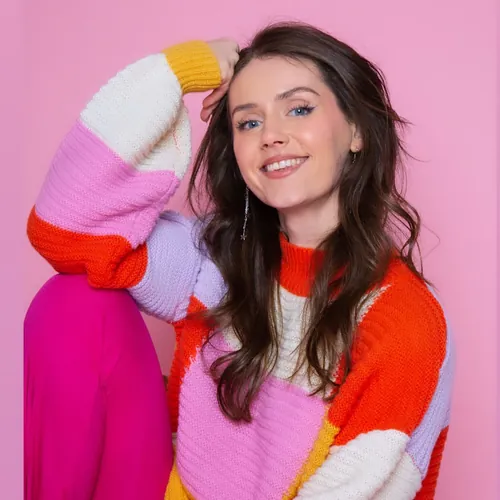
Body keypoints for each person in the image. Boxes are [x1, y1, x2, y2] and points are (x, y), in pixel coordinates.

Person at [24, 21, 454, 500]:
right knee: (69, 303)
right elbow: (64, 232)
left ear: (356, 130)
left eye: (299, 108)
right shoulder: (213, 261)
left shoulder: (405, 320)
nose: (271, 135)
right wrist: (177, 73)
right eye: (249, 122)